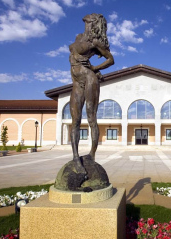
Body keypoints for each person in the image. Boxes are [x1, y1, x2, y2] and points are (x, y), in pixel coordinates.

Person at [69, 13, 114, 174]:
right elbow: (73, 54)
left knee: (91, 118)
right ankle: (75, 157)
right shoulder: (79, 37)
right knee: (75, 119)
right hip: (76, 81)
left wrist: (95, 69)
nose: (86, 22)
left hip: (89, 79)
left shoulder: (95, 42)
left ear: (94, 22)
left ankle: (92, 155)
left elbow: (111, 60)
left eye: (88, 20)